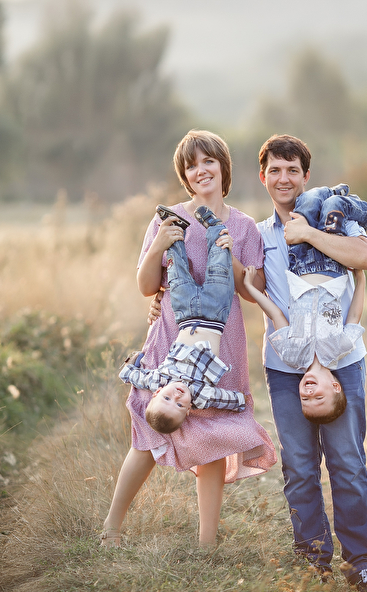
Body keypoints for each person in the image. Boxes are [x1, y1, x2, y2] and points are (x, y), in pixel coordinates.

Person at [100, 130, 276, 549]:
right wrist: (159, 245)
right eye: (191, 166)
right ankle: (111, 529)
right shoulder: (167, 219)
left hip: (221, 343)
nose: (201, 171)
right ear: (184, 175)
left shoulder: (243, 226)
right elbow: (147, 286)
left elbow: (252, 291)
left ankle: (206, 543)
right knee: (149, 433)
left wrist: (233, 257)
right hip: (169, 339)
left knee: (213, 436)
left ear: (223, 167)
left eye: (208, 161)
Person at [256, 133, 367, 591]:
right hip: (285, 367)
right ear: (263, 176)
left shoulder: (336, 217)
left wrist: (309, 233)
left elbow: (366, 257)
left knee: (347, 461)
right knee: (299, 466)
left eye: (292, 170)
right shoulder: (259, 234)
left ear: (306, 175)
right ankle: (314, 560)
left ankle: (361, 562)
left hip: (341, 361)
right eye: (275, 170)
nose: (284, 178)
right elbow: (245, 284)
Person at [243, 183, 367, 422]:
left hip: (300, 265)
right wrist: (360, 278)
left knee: (307, 204)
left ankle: (332, 194)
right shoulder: (340, 349)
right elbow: (354, 316)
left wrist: (251, 288)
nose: (309, 394)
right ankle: (359, 209)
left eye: (305, 400)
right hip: (332, 266)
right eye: (318, 398)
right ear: (335, 386)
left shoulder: (292, 355)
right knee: (333, 206)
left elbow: (276, 315)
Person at [120, 204, 246, 434]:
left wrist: (132, 363)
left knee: (176, 272)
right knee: (220, 266)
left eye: (167, 399)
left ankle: (176, 230)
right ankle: (214, 227)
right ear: (189, 409)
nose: (176, 397)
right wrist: (240, 401)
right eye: (179, 405)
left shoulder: (159, 381)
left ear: (158, 393)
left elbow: (133, 376)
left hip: (185, 313)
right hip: (215, 312)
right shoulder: (201, 396)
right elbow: (230, 399)